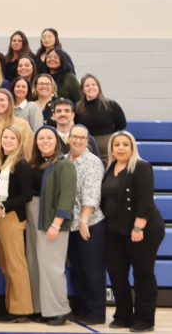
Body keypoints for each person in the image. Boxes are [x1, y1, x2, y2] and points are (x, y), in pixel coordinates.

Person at [101, 131, 165, 333]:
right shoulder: (110, 167)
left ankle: (145, 320)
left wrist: (138, 227)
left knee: (142, 274)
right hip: (115, 230)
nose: (120, 148)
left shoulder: (141, 166)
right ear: (111, 148)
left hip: (143, 229)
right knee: (117, 273)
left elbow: (146, 200)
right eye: (116, 144)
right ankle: (123, 315)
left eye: (125, 145)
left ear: (132, 147)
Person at [25, 126, 77, 326]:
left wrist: (56, 224)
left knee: (51, 266)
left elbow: (67, 196)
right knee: (34, 263)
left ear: (56, 141)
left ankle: (60, 310)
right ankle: (41, 309)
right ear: (36, 142)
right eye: (41, 138)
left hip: (51, 219)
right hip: (32, 215)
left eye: (49, 138)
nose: (45, 141)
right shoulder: (33, 163)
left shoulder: (64, 164)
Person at [0, 125, 34, 323]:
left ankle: (21, 309)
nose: (7, 141)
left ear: (19, 142)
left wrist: (5, 206)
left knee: (16, 265)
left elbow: (27, 195)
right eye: (5, 137)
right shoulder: (1, 162)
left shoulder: (20, 163)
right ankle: (11, 307)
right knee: (6, 265)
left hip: (12, 218)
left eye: (12, 138)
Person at [66, 125, 106, 326]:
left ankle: (97, 312)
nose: (78, 141)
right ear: (69, 138)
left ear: (87, 140)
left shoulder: (93, 162)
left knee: (92, 269)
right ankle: (83, 308)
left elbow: (91, 194)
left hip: (89, 223)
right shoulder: (64, 160)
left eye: (82, 138)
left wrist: (83, 220)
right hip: (70, 224)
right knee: (78, 269)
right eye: (75, 137)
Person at [75, 73, 127, 164]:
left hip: (108, 152)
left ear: (98, 87)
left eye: (93, 85)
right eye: (87, 85)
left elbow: (121, 124)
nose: (91, 87)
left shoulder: (110, 104)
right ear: (83, 89)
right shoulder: (77, 107)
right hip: (86, 150)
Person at [0, 89, 34, 162]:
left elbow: (29, 152)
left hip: (11, 168)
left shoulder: (22, 124)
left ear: (10, 102)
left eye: (2, 100)